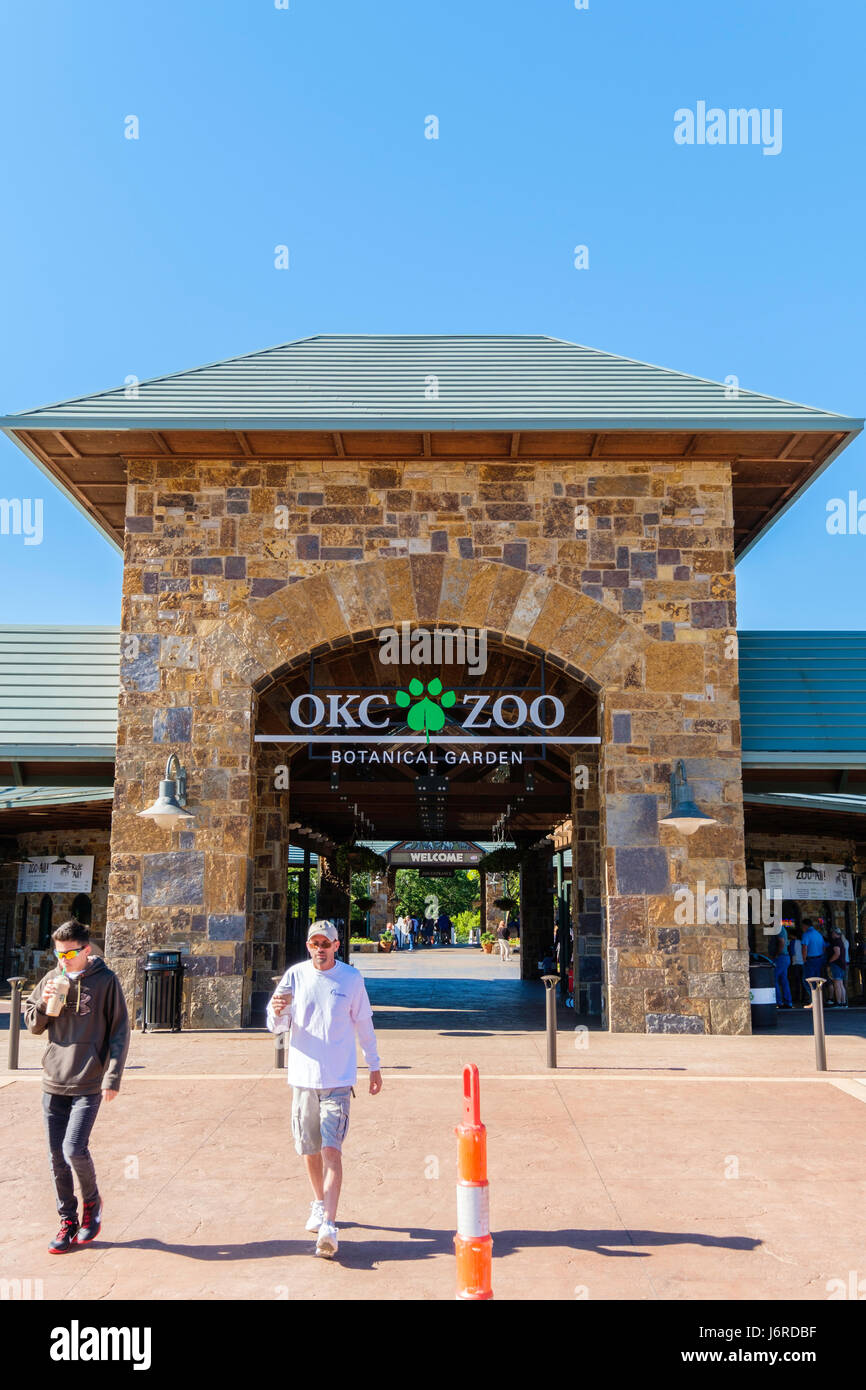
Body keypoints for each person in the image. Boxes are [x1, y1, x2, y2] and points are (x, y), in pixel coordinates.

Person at [267, 920, 382, 1259]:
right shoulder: (295, 977)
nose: (320, 948)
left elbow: (364, 1022)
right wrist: (275, 1013)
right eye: (314, 942)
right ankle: (319, 1203)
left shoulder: (351, 979)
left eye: (326, 943)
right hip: (303, 1079)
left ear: (336, 945)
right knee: (310, 1149)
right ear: (308, 946)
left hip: (338, 1080)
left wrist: (374, 1064)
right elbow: (277, 1025)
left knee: (332, 1150)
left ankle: (329, 1225)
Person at [23, 919, 130, 1254]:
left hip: (88, 1080)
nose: (63, 960)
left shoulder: (106, 982)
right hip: (53, 1079)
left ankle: (92, 1205)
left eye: (69, 954)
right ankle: (67, 1220)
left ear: (86, 950)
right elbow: (33, 1025)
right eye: (58, 954)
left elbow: (119, 1031)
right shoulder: (52, 979)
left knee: (73, 1149)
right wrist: (43, 1004)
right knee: (56, 1156)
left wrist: (112, 1076)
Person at [800, 918, 826, 1009]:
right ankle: (818, 1000)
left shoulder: (806, 934)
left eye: (803, 926)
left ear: (805, 925)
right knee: (817, 980)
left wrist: (804, 959)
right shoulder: (818, 934)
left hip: (810, 960)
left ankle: (814, 1001)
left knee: (807, 981)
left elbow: (804, 947)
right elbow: (823, 948)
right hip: (819, 959)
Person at [772, 919, 792, 1009]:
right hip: (785, 957)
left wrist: (777, 953)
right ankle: (788, 1002)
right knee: (784, 980)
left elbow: (781, 941)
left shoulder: (778, 928)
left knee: (773, 978)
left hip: (781, 957)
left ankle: (778, 1001)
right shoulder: (782, 928)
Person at [826, 929, 847, 1008]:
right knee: (841, 984)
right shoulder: (841, 941)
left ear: (835, 933)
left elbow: (837, 954)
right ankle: (843, 1002)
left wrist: (830, 961)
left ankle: (838, 1002)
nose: (831, 934)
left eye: (832, 933)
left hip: (836, 964)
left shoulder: (836, 942)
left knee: (837, 984)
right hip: (842, 965)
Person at [789, 927, 805, 1006]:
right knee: (803, 982)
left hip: (796, 963)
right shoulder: (802, 942)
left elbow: (792, 953)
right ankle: (804, 998)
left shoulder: (792, 942)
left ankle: (797, 998)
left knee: (796, 982)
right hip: (803, 963)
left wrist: (792, 962)